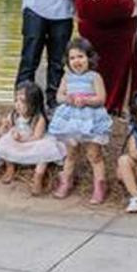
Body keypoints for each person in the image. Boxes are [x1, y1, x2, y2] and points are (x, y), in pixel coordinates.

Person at [48, 38, 113, 204]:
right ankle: (66, 181)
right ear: (68, 61)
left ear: (89, 58)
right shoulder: (67, 77)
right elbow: (59, 96)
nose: (77, 61)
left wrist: (87, 101)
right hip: (71, 120)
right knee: (71, 153)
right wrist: (68, 98)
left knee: (94, 154)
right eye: (72, 58)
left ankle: (99, 186)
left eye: (81, 57)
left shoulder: (94, 77)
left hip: (90, 119)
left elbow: (102, 98)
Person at [0, 81, 66, 195]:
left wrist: (24, 140)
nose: (17, 104)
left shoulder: (39, 118)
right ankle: (10, 168)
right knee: (5, 142)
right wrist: (4, 126)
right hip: (18, 141)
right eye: (16, 100)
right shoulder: (14, 115)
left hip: (33, 142)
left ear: (34, 104)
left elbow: (37, 137)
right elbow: (2, 132)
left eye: (22, 101)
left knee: (45, 152)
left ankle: (38, 176)